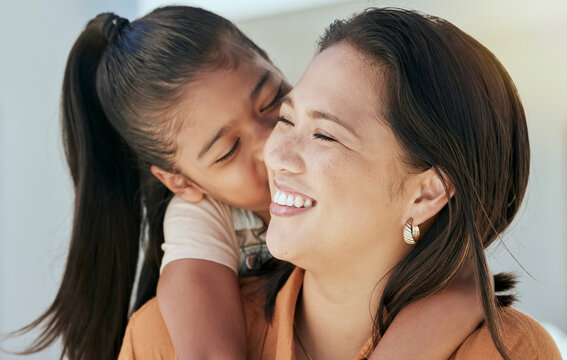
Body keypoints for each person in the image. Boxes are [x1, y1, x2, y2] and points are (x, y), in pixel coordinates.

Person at [11, 6, 486, 360]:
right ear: (181, 182)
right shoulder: (201, 221)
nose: (272, 145)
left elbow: (465, 283)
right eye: (226, 151)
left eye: (273, 101)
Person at [117, 7, 562, 360]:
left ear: (427, 192)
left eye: (324, 134)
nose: (273, 151)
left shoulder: (507, 352)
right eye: (289, 119)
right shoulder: (162, 339)